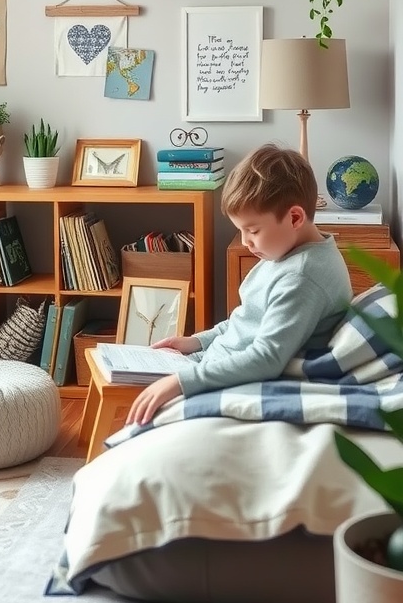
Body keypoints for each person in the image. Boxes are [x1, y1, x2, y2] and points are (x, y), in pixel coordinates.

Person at [127, 143, 352, 426]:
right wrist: (197, 341)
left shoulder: (302, 277)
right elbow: (246, 321)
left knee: (140, 422)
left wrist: (181, 382)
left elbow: (267, 358)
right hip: (212, 362)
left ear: (295, 217)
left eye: (253, 230)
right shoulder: (285, 253)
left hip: (233, 382)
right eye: (240, 230)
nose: (245, 241)